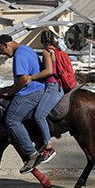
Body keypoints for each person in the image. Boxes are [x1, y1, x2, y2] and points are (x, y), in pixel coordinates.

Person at [0, 34, 46, 174]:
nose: (4, 54)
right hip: (37, 88)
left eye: (2, 50)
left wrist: (11, 92)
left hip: (31, 92)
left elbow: (23, 79)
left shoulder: (19, 55)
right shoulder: (26, 49)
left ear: (6, 45)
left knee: (11, 120)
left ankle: (32, 154)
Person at [25, 30, 64, 167]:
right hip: (57, 85)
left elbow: (49, 71)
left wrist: (31, 77)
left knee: (39, 116)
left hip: (52, 86)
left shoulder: (47, 52)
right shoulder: (57, 50)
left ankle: (48, 147)